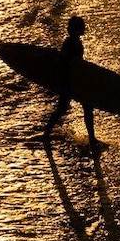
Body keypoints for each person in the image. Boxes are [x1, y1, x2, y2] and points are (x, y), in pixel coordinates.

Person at [44, 15, 102, 151]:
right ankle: (46, 133)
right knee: (63, 108)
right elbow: (65, 61)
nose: (83, 29)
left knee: (87, 108)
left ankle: (92, 139)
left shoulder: (75, 42)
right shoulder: (70, 43)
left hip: (75, 80)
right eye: (81, 27)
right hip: (69, 81)